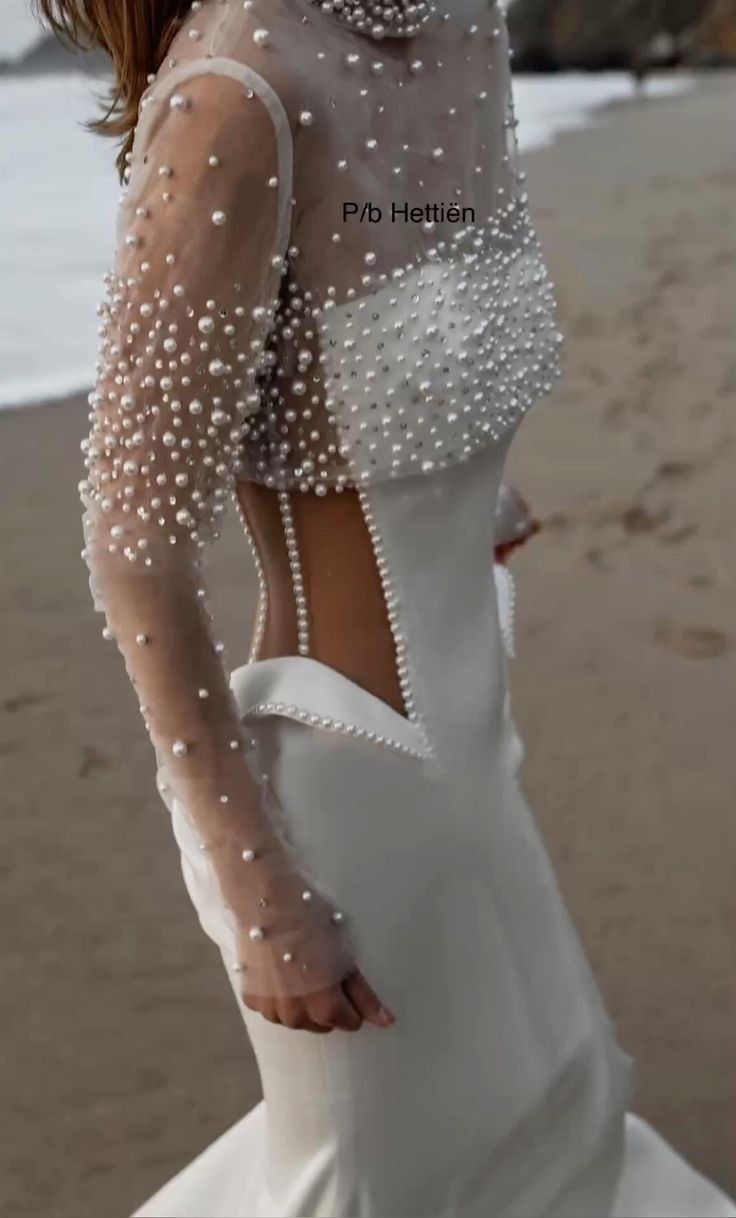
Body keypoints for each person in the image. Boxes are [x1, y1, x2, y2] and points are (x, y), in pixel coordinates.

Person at [38, 0, 735, 1214]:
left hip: (477, 749)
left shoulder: (467, 24)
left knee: (559, 1133)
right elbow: (134, 549)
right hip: (339, 800)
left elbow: (409, 319)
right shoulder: (229, 98)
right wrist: (255, 890)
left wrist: (464, 489)